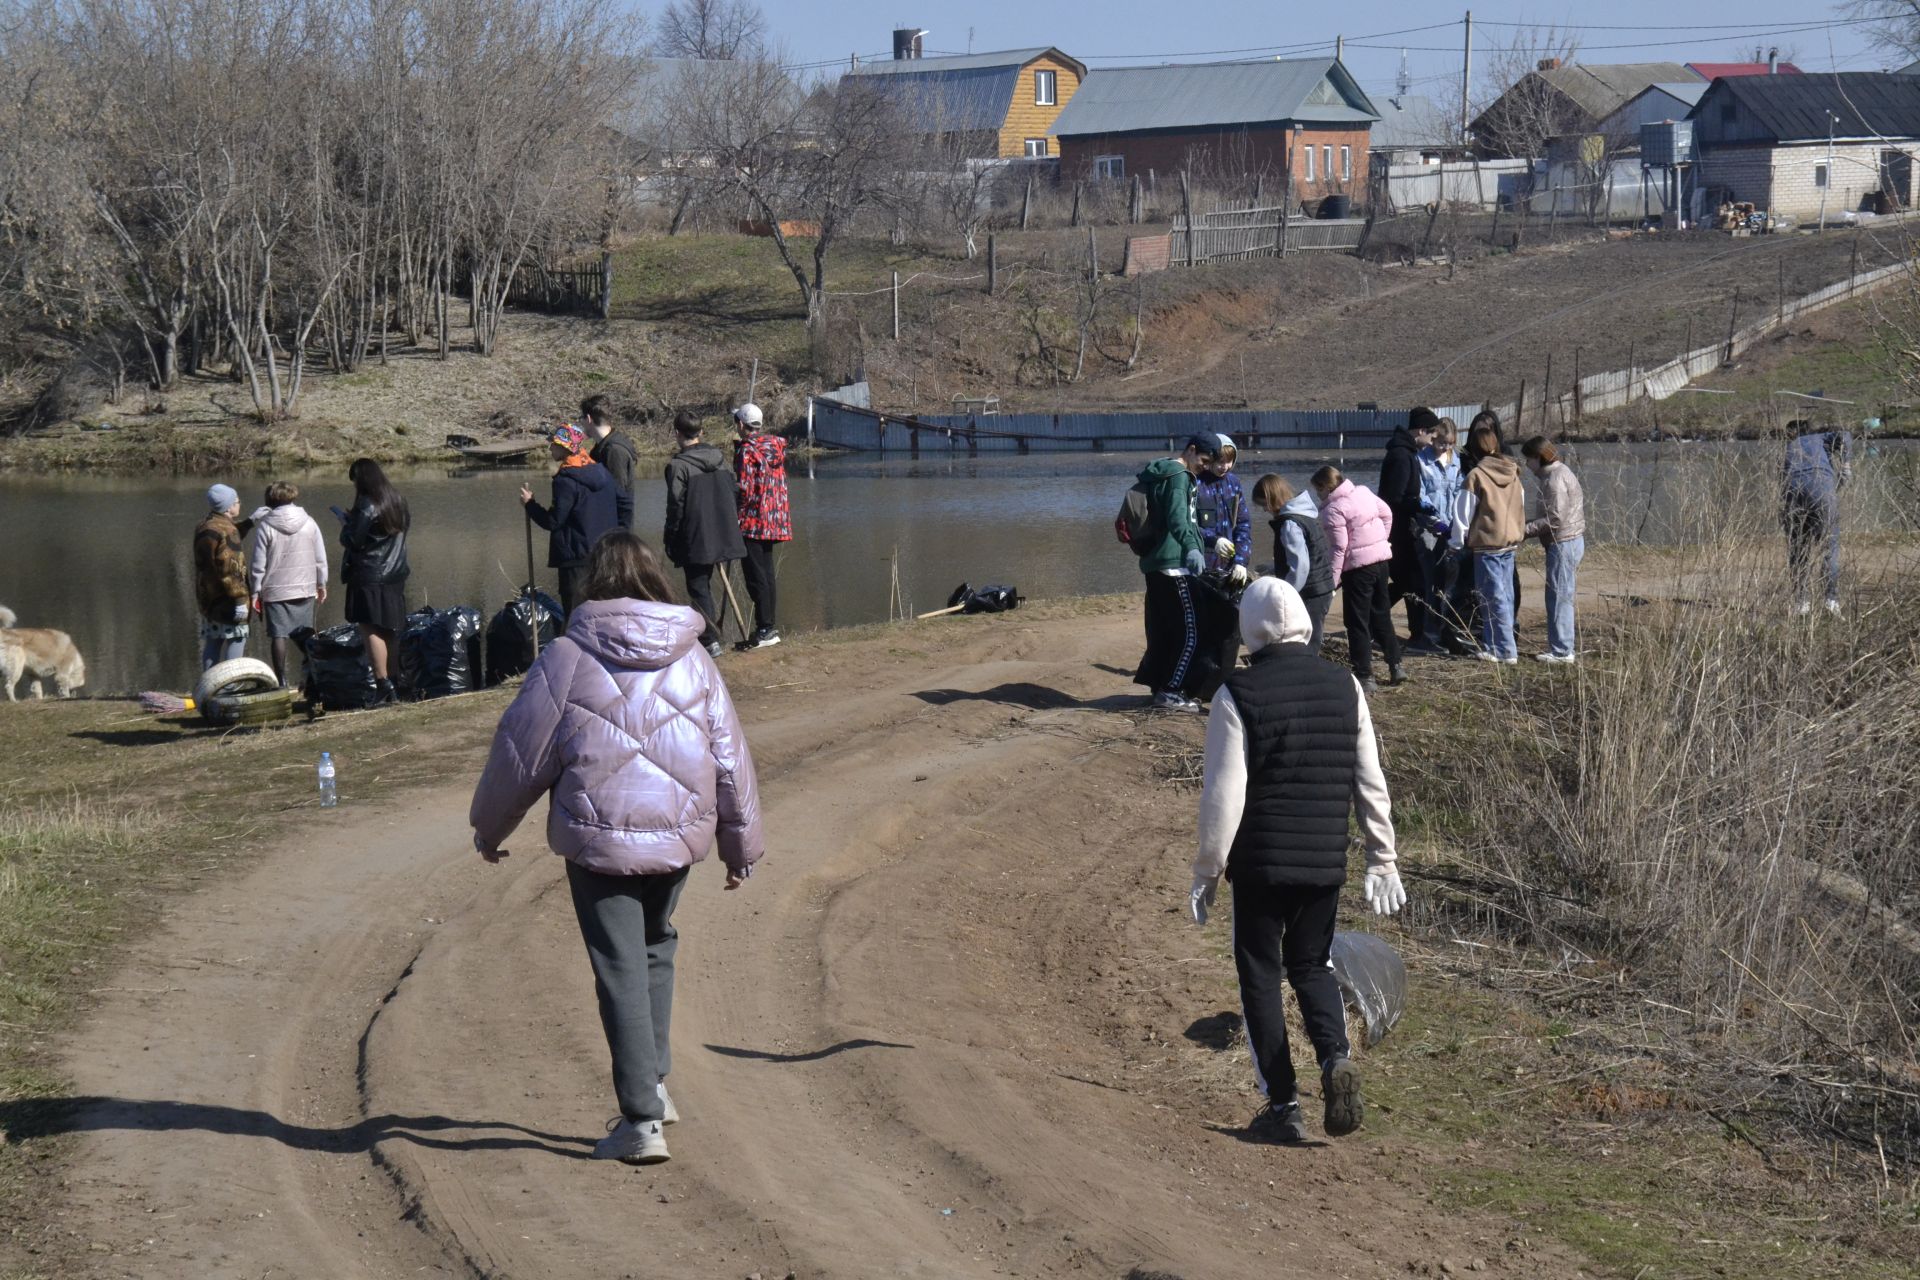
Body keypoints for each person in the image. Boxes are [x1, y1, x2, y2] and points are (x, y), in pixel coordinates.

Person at [469, 530, 763, 1166]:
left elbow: (520, 755)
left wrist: (490, 829)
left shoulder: (568, 656)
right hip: (678, 834)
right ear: (654, 577)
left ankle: (639, 1120)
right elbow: (730, 756)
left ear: (592, 582)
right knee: (655, 947)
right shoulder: (696, 658)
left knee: (620, 966)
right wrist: (740, 846)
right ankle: (654, 1084)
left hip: (598, 837)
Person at [1188, 576, 1406, 1144]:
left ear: (1249, 627)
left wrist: (1207, 869)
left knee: (1260, 974)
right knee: (1313, 966)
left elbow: (1224, 794)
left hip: (1260, 865)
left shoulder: (1237, 693)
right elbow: (1370, 780)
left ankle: (1283, 1102)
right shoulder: (1347, 686)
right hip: (1323, 863)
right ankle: (1335, 1057)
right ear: (1305, 626)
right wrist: (1382, 857)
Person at [1131, 435, 1210, 711]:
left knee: (1164, 629)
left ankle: (1161, 685)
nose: (1204, 467)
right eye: (1203, 460)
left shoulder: (1161, 472)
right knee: (1191, 631)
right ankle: (1172, 691)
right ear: (1191, 450)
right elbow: (1180, 519)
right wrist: (1191, 548)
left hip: (1155, 563)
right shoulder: (1178, 476)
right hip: (1173, 566)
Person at [1310, 466, 1404, 693]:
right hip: (1381, 563)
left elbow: (1339, 548)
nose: (1317, 496)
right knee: (1382, 615)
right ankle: (1396, 665)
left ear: (1325, 487)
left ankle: (1365, 674)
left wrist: (1332, 582)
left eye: (1317, 490)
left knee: (1356, 622)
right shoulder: (1363, 491)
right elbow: (1387, 513)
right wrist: (1382, 540)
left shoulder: (1332, 510)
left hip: (1357, 570)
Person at [664, 411, 748, 659]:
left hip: (697, 536)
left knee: (699, 587)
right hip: (724, 531)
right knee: (702, 587)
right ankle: (715, 637)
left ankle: (710, 641)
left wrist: (670, 537)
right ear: (701, 432)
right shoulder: (720, 458)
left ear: (677, 433)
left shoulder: (678, 466)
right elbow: (736, 492)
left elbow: (675, 507)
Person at [521, 422, 619, 622]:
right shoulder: (602, 472)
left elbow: (554, 521)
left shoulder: (566, 480)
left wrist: (530, 504)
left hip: (575, 559)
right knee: (602, 615)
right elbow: (622, 503)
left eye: (554, 444)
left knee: (577, 618)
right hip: (604, 554)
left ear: (565, 447)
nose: (550, 448)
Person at [339, 458, 411, 704]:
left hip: (369, 575)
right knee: (390, 628)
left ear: (362, 480)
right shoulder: (398, 500)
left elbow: (353, 541)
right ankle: (395, 681)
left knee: (370, 627)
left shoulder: (366, 504)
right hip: (395, 574)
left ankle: (382, 684)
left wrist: (346, 524)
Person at [1456, 423, 1526, 664]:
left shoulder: (1476, 476)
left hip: (1487, 544)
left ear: (1474, 450)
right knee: (1504, 595)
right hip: (1510, 541)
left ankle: (1504, 650)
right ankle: (1496, 645)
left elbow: (1463, 514)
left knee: (1491, 597)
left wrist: (1456, 542)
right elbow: (1522, 503)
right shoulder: (1513, 472)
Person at [247, 481, 328, 687]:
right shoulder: (310, 522)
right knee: (307, 635)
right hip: (304, 586)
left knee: (279, 635)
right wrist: (321, 583)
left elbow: (258, 564)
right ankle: (313, 676)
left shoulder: (265, 526)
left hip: (275, 590)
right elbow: (320, 558)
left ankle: (281, 680)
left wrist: (255, 591)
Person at [1192, 434, 1253, 692]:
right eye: (1218, 461)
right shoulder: (1194, 484)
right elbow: (1189, 525)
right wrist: (1211, 540)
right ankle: (1199, 681)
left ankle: (1222, 675)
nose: (1223, 467)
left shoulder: (1234, 484)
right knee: (1202, 624)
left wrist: (1240, 560)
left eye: (1228, 462)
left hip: (1229, 570)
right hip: (1202, 569)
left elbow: (1244, 526)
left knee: (1228, 624)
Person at [1251, 474, 1333, 654]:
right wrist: (1274, 568)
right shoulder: (1306, 514)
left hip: (1311, 592)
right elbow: (1307, 556)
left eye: (1264, 505)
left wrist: (1286, 593)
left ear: (1273, 498)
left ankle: (1308, 675)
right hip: (1323, 586)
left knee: (1307, 640)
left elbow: (1300, 567)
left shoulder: (1290, 524)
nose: (1265, 510)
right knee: (1312, 636)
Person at [732, 404, 791, 651]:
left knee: (756, 576)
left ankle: (765, 628)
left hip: (754, 521)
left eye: (737, 421)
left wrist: (736, 514)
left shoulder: (747, 451)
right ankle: (768, 627)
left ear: (742, 425)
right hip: (774, 519)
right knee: (766, 574)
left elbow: (743, 489)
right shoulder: (773, 446)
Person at [1521, 437, 1586, 663]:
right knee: (1562, 595)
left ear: (1538, 458)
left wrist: (1523, 530)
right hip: (1572, 539)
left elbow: (1555, 519)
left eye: (1528, 459)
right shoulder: (1562, 471)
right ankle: (1563, 647)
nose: (1527, 465)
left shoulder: (1553, 480)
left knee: (1558, 598)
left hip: (1563, 542)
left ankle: (1561, 651)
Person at [1379, 408, 1438, 647]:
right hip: (1399, 532)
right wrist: (1418, 505)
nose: (1433, 441)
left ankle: (1379, 620)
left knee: (1410, 584)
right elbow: (1393, 498)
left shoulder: (1406, 453)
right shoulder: (1401, 456)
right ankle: (1416, 634)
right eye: (1432, 436)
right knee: (1414, 584)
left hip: (1403, 529)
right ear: (1421, 430)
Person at [1781, 420, 1851, 616]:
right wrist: (1846, 467)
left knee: (1798, 550)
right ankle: (1831, 601)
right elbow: (1844, 435)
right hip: (1820, 486)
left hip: (1791, 490)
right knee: (1829, 546)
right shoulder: (1820, 437)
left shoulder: (1788, 447)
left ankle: (1802, 604)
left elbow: (1780, 482)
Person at [1415, 419, 1472, 655]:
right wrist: (1436, 523)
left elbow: (1461, 492)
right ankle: (1429, 633)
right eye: (1440, 443)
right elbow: (1419, 496)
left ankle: (1448, 630)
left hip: (1452, 529)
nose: (1445, 448)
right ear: (1433, 438)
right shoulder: (1420, 460)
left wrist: (1457, 524)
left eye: (1449, 444)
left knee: (1450, 583)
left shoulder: (1455, 461)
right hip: (1428, 530)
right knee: (1431, 582)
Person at [193, 483, 255, 670]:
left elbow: (227, 539)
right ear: (228, 507)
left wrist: (250, 522)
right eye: (236, 501)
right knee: (236, 639)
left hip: (209, 597)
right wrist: (240, 600)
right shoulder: (228, 531)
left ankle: (209, 686)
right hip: (228, 599)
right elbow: (231, 568)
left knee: (213, 642)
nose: (239, 504)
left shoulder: (204, 525)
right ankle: (230, 686)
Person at [583, 393, 638, 530]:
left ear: (588, 418)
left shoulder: (614, 451)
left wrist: (618, 537)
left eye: (581, 418)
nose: (581, 423)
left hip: (613, 532)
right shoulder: (601, 448)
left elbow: (619, 497)